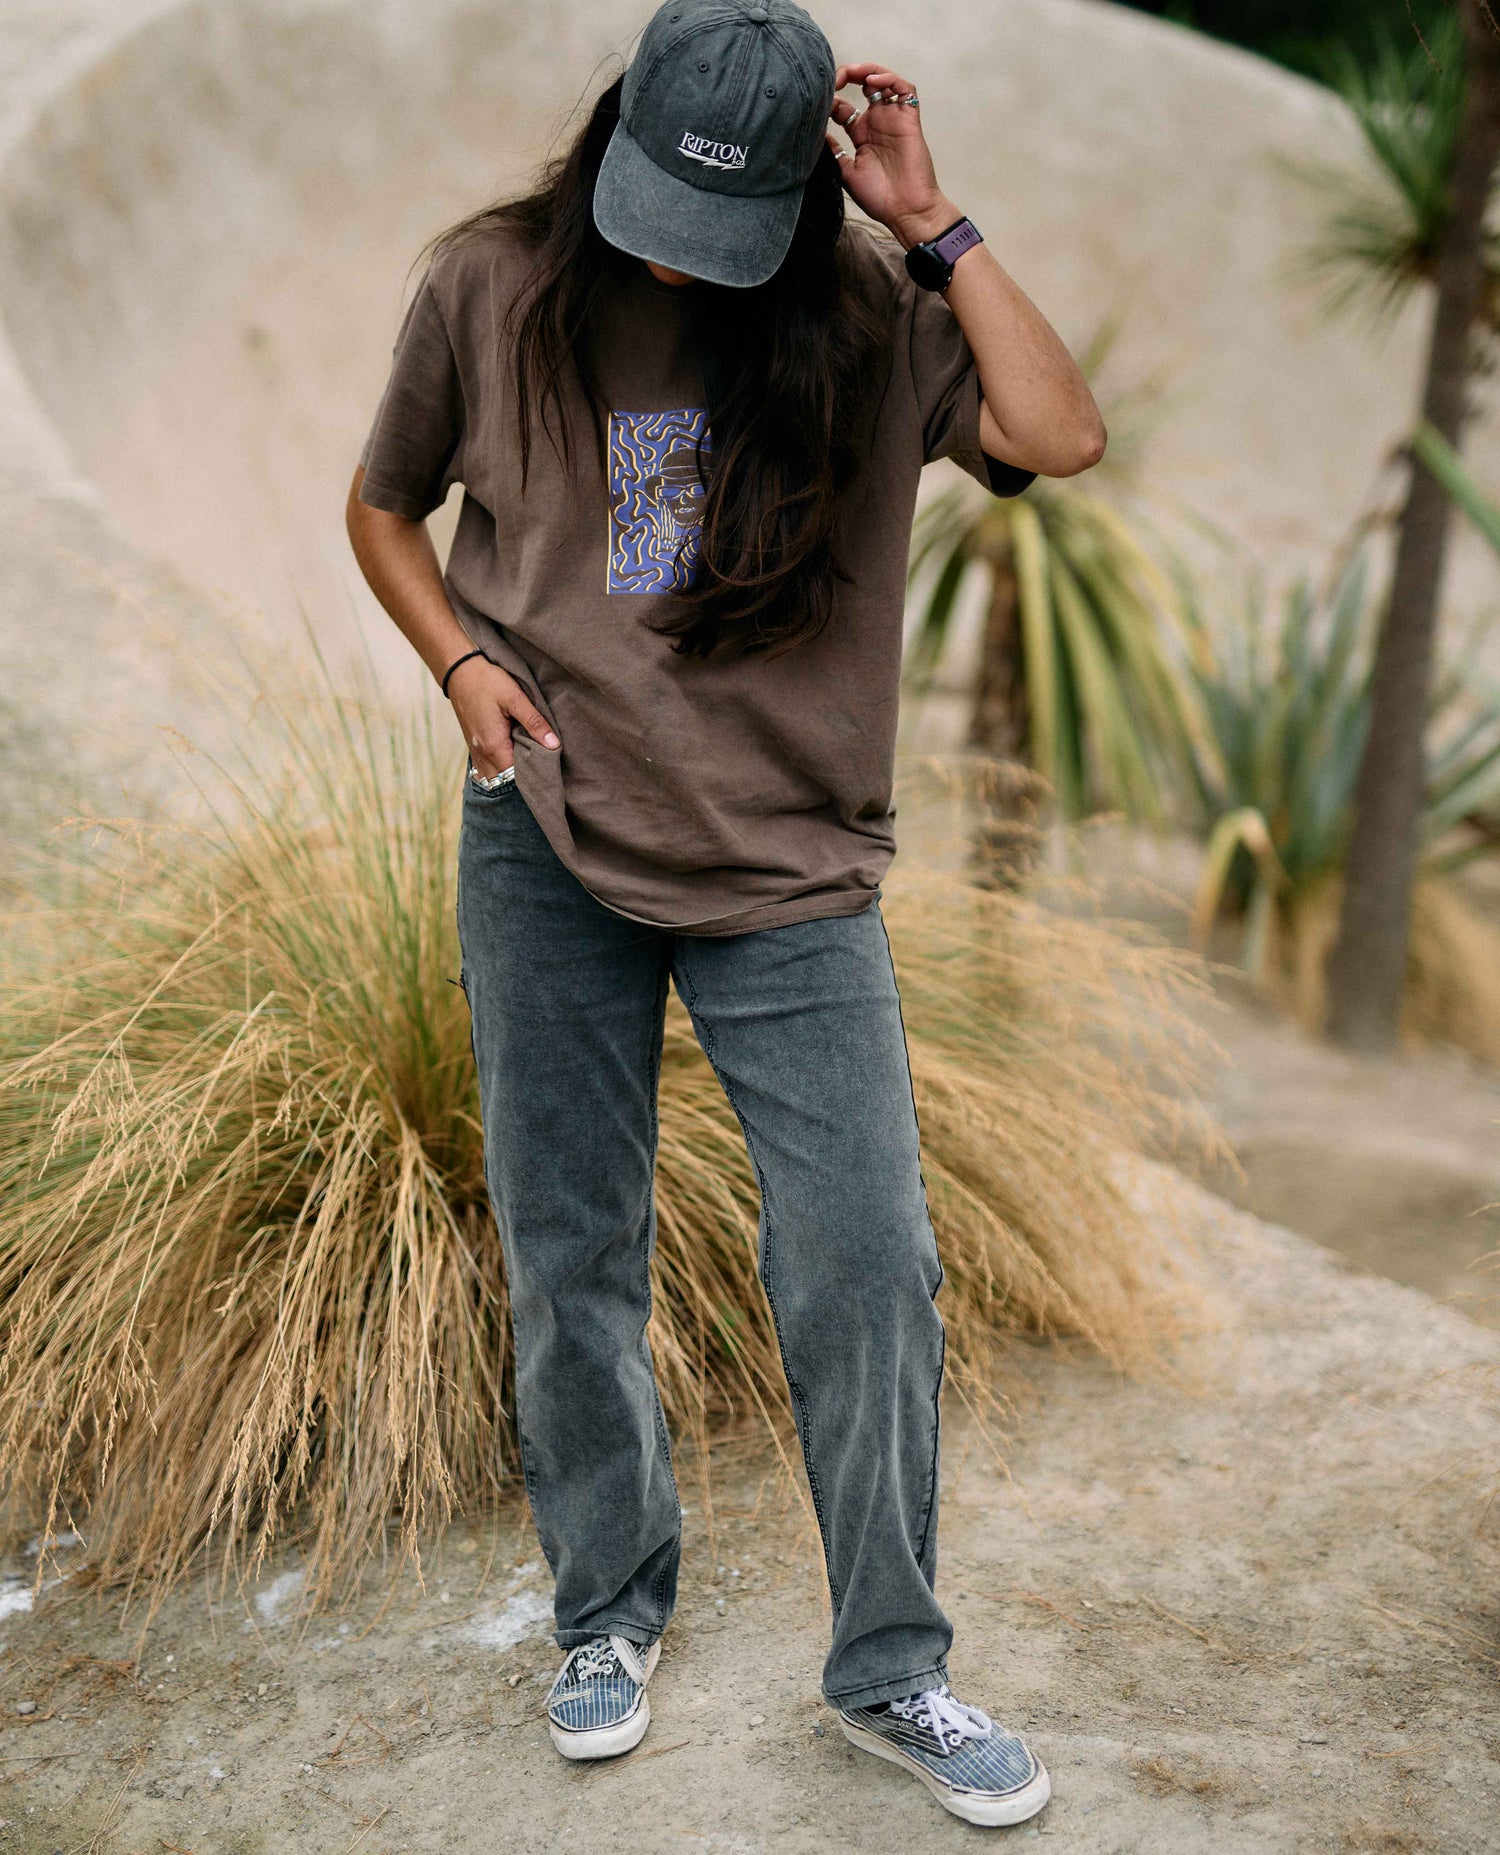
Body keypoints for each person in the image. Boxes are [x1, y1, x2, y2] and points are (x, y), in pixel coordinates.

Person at [346, 0, 1103, 1828]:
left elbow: (1058, 435)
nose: (677, 262)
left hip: (793, 878)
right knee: (570, 1248)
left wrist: (939, 223)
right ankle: (608, 1613)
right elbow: (383, 509)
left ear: (796, 194)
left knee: (868, 1267)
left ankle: (892, 1672)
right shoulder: (490, 282)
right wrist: (459, 661)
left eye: (720, 232)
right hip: (549, 839)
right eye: (651, 215)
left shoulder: (866, 316)